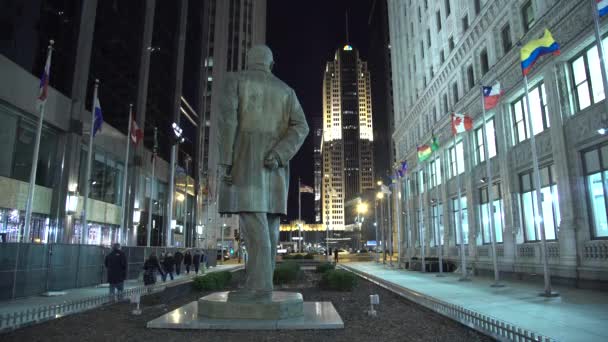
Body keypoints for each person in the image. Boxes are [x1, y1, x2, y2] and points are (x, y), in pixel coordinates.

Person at [217, 45, 308, 300]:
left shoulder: (236, 80)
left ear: (249, 61)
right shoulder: (286, 91)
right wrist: (280, 153)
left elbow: (228, 123)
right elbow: (302, 127)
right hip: (276, 170)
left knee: (254, 227)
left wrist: (225, 162)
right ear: (270, 63)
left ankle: (258, 287)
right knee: (269, 228)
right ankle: (262, 284)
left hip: (246, 162)